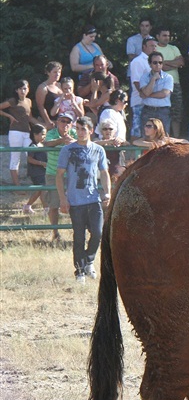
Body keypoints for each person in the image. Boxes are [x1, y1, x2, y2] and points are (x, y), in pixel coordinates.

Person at [55, 116, 111, 283]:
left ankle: (89, 261)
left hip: (93, 198)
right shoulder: (67, 150)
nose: (80, 132)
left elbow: (104, 172)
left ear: (91, 131)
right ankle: (80, 271)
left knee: (98, 233)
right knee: (79, 237)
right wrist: (63, 198)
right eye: (78, 129)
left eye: (83, 129)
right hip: (75, 200)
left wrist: (107, 192)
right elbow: (59, 175)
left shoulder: (98, 150)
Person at [43, 112, 77, 240]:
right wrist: (62, 140)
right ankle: (55, 232)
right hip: (53, 172)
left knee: (75, 204)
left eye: (68, 122)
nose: (65, 124)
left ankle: (77, 231)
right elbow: (47, 143)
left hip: (72, 174)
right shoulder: (51, 133)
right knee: (54, 204)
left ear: (71, 124)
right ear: (57, 122)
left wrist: (72, 141)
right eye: (62, 121)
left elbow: (83, 142)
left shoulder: (74, 133)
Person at [0, 79, 34, 186]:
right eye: (20, 89)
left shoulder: (29, 101)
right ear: (16, 90)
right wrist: (9, 116)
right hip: (15, 132)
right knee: (15, 158)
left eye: (25, 88)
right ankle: (17, 186)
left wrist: (41, 125)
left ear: (28, 89)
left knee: (32, 154)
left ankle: (34, 181)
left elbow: (30, 117)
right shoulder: (12, 101)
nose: (22, 91)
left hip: (27, 132)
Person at [155, 27, 184, 137]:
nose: (167, 38)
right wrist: (173, 63)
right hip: (160, 85)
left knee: (176, 112)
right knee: (161, 112)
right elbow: (157, 67)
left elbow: (181, 62)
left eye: (168, 35)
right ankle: (161, 136)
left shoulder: (174, 48)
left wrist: (165, 63)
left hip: (175, 84)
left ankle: (175, 138)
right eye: (164, 35)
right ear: (158, 36)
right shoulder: (154, 48)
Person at [130, 37, 158, 139]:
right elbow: (136, 82)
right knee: (137, 130)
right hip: (139, 101)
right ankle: (133, 154)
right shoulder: (138, 61)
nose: (154, 48)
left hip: (151, 101)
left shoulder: (155, 61)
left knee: (149, 132)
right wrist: (144, 94)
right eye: (151, 46)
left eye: (155, 46)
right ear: (144, 47)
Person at [138, 51, 173, 133]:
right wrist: (153, 79)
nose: (158, 65)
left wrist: (147, 95)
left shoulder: (168, 77)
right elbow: (146, 92)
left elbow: (164, 94)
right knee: (146, 137)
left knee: (164, 138)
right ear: (150, 64)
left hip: (163, 111)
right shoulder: (144, 77)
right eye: (155, 62)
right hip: (148, 110)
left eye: (160, 63)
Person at [23, 124, 47, 214]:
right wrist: (42, 163)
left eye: (45, 134)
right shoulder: (32, 146)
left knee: (40, 190)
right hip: (36, 172)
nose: (44, 136)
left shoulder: (41, 144)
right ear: (35, 134)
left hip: (42, 171)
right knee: (42, 189)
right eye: (42, 134)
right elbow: (30, 159)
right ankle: (46, 208)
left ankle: (27, 206)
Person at [35, 61, 63, 130]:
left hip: (61, 121)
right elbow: (40, 106)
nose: (57, 74)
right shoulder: (43, 87)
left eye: (59, 72)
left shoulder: (60, 85)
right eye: (55, 72)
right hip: (48, 121)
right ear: (48, 73)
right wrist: (48, 121)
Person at [126, 17, 153, 82]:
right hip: (134, 73)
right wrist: (146, 58)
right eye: (142, 26)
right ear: (139, 27)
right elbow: (131, 56)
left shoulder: (154, 41)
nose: (144, 28)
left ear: (150, 27)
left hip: (149, 73)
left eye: (147, 26)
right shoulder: (132, 40)